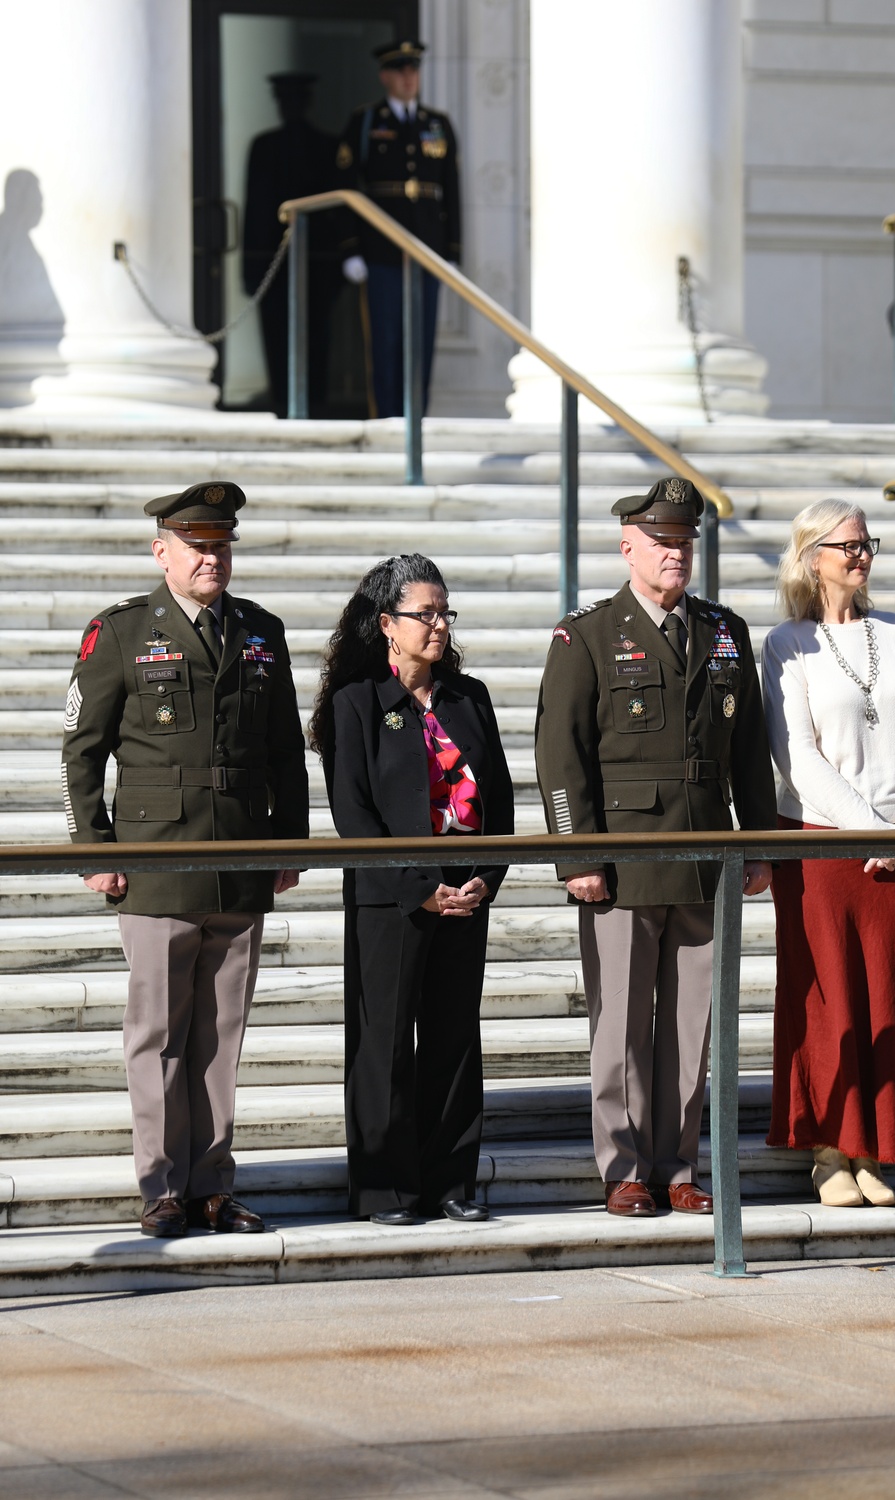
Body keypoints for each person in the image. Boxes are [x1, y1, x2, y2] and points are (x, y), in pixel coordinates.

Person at [60, 483, 309, 1237]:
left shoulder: (261, 631)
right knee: (159, 1034)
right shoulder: (123, 631)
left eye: (222, 545)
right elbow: (82, 751)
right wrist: (93, 851)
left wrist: (288, 843)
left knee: (220, 1035)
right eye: (198, 546)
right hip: (158, 858)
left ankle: (210, 1184)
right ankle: (161, 1186)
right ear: (161, 551)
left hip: (238, 856)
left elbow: (285, 752)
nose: (213, 558)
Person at [534, 478, 776, 1218]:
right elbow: (559, 754)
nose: (676, 553)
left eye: (686, 541)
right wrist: (577, 857)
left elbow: (750, 750)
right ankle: (624, 1165)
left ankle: (678, 1164)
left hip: (705, 856)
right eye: (663, 542)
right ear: (628, 546)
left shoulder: (722, 631)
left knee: (689, 1022)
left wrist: (758, 844)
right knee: (621, 1020)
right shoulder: (589, 635)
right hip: (624, 857)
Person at [761, 500, 895, 1207]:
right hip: (822, 846)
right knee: (829, 997)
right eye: (848, 546)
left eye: (868, 543)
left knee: (893, 999)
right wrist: (870, 830)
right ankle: (828, 1151)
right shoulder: (787, 644)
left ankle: (875, 1149)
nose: (862, 555)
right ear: (814, 557)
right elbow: (798, 756)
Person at [310, 554, 513, 1225]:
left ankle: (449, 1181)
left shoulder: (468, 697)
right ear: (386, 624)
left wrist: (487, 877)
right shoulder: (355, 704)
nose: (438, 625)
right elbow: (354, 815)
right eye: (423, 613)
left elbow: (502, 804)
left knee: (454, 1039)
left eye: (444, 612)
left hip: (467, 895)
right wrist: (419, 888)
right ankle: (387, 1189)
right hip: (392, 901)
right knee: (386, 1042)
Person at [335, 39, 460, 417]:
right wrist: (350, 248)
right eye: (401, 70)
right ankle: (387, 418)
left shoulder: (436, 124)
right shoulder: (367, 121)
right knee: (386, 340)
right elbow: (344, 187)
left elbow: (451, 191)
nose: (409, 78)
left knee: (420, 343)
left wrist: (452, 251)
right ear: (385, 76)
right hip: (381, 249)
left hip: (427, 249)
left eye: (414, 70)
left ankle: (414, 420)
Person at [242, 72, 340, 415]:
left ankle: (315, 405)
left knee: (317, 340)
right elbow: (253, 211)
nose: (290, 107)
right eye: (285, 100)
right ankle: (282, 403)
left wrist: (338, 267)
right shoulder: (264, 146)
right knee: (276, 338)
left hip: (317, 264)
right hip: (272, 262)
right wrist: (250, 269)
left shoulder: (326, 147)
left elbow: (335, 214)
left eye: (296, 100)